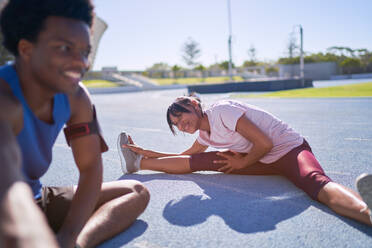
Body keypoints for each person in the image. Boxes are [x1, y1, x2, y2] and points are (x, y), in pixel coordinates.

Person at [0, 0, 149, 247]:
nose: (81, 63)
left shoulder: (76, 97)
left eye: (84, 51)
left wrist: (70, 238)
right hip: (9, 206)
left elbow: (90, 167)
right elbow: (10, 191)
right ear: (26, 49)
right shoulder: (5, 100)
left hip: (34, 199)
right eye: (65, 48)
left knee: (135, 191)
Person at [118, 95, 372, 226]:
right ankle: (138, 164)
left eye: (181, 117)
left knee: (315, 182)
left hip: (288, 150)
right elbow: (189, 155)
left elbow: (265, 143)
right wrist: (149, 152)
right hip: (258, 160)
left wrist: (240, 164)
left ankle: (366, 211)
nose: (182, 126)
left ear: (194, 105)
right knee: (198, 162)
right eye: (176, 125)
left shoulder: (222, 111)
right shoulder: (204, 132)